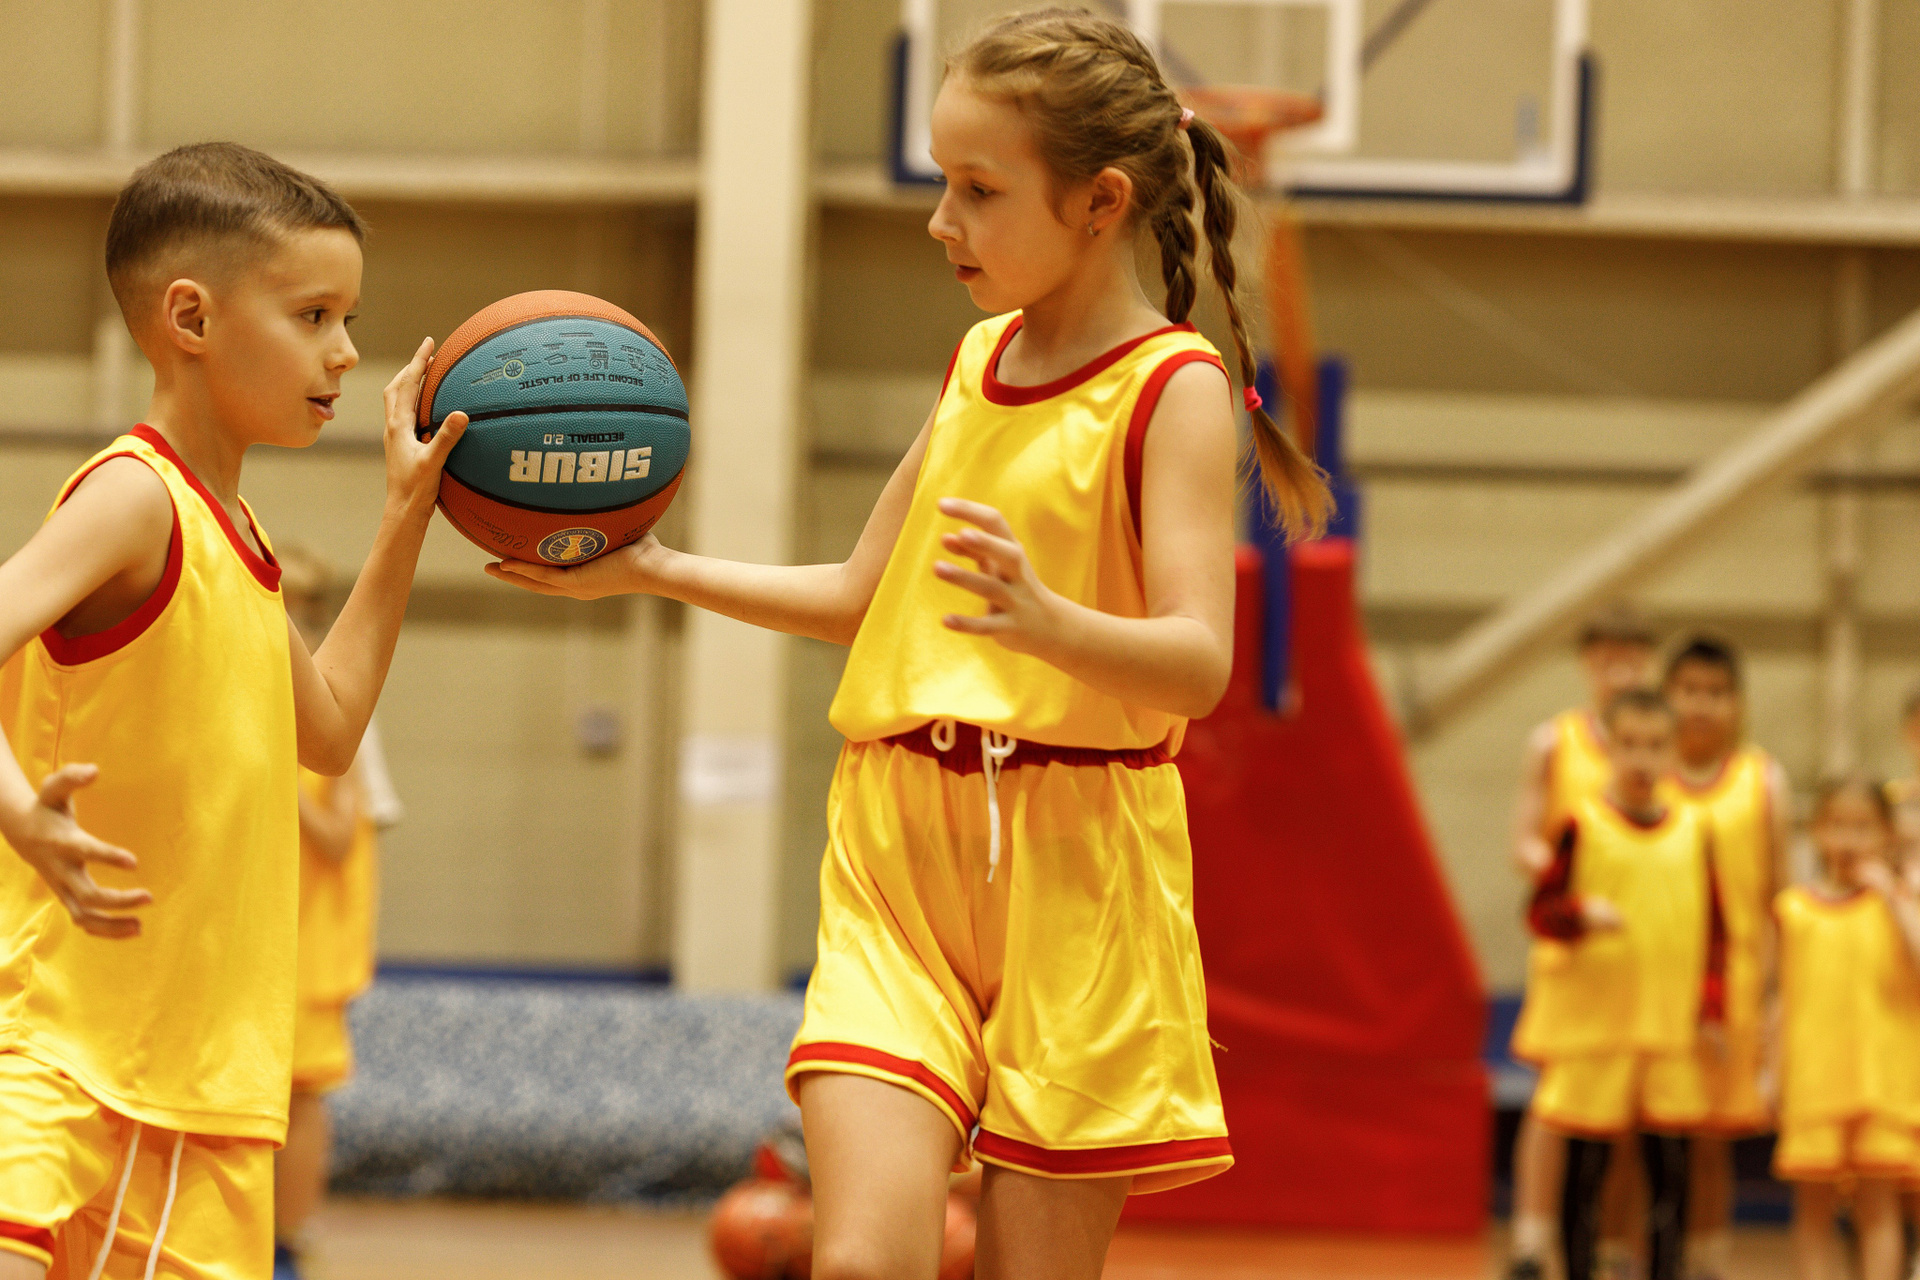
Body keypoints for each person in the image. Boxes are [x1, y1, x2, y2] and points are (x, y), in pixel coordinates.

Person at [487, 8, 1329, 1276]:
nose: (942, 220)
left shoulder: (1175, 389)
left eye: (979, 190)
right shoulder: (978, 361)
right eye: (944, 181)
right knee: (858, 1260)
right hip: (897, 846)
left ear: (1100, 201)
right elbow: (859, 595)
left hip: (1082, 860)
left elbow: (1198, 660)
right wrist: (650, 569)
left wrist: (1050, 623)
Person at [0, 143, 463, 1278]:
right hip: (63, 1063)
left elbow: (332, 728)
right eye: (312, 315)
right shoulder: (135, 497)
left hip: (203, 1090)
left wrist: (406, 514)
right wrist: (16, 810)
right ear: (191, 318)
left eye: (348, 319)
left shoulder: (237, 535)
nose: (344, 351)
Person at [1510, 690, 1722, 1280]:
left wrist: (1712, 1009)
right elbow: (1539, 911)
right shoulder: (1583, 825)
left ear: (1674, 752)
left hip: (1668, 1031)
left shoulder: (1694, 829)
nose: (1641, 759)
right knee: (1586, 1172)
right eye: (1628, 744)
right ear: (1607, 748)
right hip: (1596, 1033)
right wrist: (1578, 913)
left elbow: (1717, 933)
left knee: (1669, 1174)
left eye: (1655, 746)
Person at [1505, 608, 1659, 1280]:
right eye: (1606, 658)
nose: (1618, 670)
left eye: (1631, 657)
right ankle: (1532, 1240)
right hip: (1573, 942)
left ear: (1649, 662)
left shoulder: (1656, 747)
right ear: (1586, 663)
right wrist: (1570, 883)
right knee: (1554, 1096)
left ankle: (1615, 1242)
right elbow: (1524, 843)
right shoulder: (1555, 741)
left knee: (1631, 1101)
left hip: (1638, 942)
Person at [273, 549, 406, 1280]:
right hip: (258, 929)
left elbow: (338, 836)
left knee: (301, 1093)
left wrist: (276, 780)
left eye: (298, 604)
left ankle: (291, 1239)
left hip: (308, 941)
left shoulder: (338, 698)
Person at [1658, 636, 1791, 1280]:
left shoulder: (1762, 780)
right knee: (1639, 1139)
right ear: (1667, 695)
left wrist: (1778, 991)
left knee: (1712, 1143)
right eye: (1689, 690)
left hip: (1732, 989)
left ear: (1738, 703)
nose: (1702, 704)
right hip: (1655, 986)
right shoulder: (1646, 773)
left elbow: (1781, 897)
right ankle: (1623, 1258)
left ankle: (1707, 1262)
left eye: (1716, 692)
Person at [1771, 776, 1920, 1280]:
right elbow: (1782, 998)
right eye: (1836, 825)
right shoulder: (1794, 908)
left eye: (1863, 827)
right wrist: (1772, 1072)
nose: (1848, 839)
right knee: (1812, 1212)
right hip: (1814, 1084)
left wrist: (1895, 896)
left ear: (1887, 835)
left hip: (1882, 1086)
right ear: (1815, 831)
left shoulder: (1899, 903)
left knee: (1878, 1209)